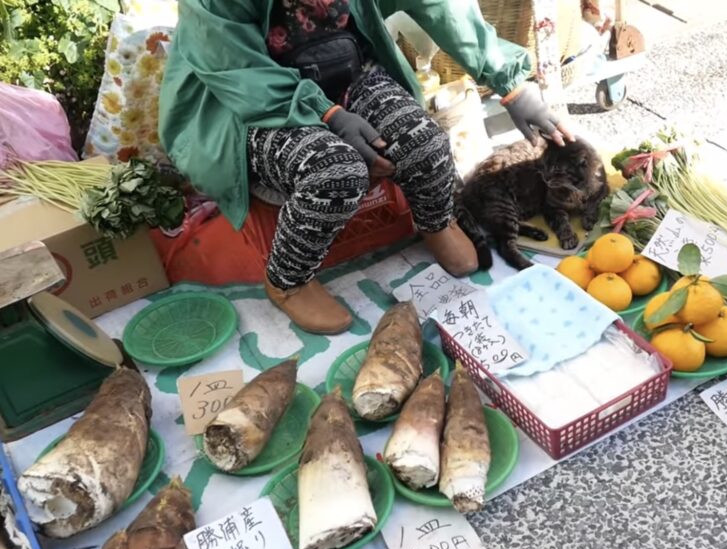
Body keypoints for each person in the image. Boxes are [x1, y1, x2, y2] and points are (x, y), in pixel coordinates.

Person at [159, 0, 574, 335]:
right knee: (335, 172)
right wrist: (330, 116)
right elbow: (235, 71)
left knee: (423, 140)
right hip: (250, 102)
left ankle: (435, 222)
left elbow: (439, 5)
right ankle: (287, 280)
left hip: (343, 69)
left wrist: (512, 84)